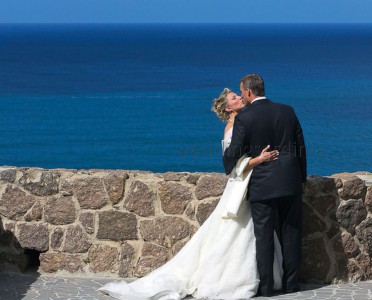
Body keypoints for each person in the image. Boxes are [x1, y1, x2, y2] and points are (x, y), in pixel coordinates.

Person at [98, 88, 283, 300]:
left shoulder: (244, 122)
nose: (240, 97)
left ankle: (261, 276)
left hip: (250, 186)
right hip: (239, 187)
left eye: (238, 95)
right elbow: (232, 165)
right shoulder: (232, 129)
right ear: (227, 108)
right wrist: (259, 160)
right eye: (234, 97)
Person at [223, 74, 307, 296]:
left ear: (249, 92)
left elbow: (235, 151)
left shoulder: (245, 118)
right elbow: (300, 146)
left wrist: (227, 162)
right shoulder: (287, 110)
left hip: (263, 184)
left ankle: (267, 287)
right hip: (290, 181)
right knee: (291, 234)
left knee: (264, 236)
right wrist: (302, 178)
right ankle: (292, 284)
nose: (241, 95)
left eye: (241, 92)